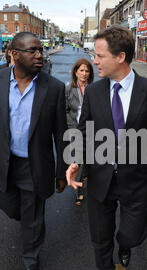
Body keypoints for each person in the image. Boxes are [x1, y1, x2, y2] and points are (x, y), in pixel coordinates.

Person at [66, 26, 147, 270]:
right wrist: (76, 160)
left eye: (100, 56)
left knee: (130, 234)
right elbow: (82, 131)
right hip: (99, 179)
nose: (95, 62)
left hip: (135, 181)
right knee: (100, 236)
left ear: (121, 57)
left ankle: (125, 245)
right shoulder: (93, 92)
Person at [0, 32, 68, 270]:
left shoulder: (54, 88)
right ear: (14, 54)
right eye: (32, 50)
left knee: (33, 216)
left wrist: (62, 171)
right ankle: (25, 222)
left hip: (36, 165)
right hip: (6, 163)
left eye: (41, 50)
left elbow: (61, 134)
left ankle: (31, 261)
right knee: (10, 207)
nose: (40, 55)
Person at [65, 59, 94, 205]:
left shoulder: (94, 89)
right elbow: (65, 111)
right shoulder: (68, 89)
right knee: (77, 160)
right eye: (81, 70)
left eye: (87, 71)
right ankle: (79, 191)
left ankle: (83, 180)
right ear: (75, 72)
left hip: (90, 131)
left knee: (87, 161)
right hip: (74, 130)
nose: (84, 74)